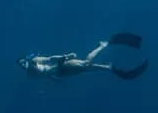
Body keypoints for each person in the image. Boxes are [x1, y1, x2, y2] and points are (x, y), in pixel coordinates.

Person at [17, 33, 148, 81]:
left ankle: (103, 46)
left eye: (23, 62)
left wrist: (65, 56)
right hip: (61, 73)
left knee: (86, 64)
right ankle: (108, 67)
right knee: (85, 67)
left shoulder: (35, 61)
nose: (23, 65)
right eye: (21, 65)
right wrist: (56, 80)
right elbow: (45, 76)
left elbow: (50, 58)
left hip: (60, 65)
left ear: (26, 60)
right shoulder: (31, 74)